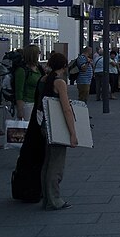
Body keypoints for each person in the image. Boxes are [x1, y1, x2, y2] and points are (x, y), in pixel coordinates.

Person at [35, 52, 77, 210]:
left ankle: (47, 197)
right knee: (56, 165)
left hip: (44, 125)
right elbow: (66, 109)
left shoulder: (43, 79)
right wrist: (73, 133)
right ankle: (54, 199)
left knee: (47, 163)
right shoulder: (60, 82)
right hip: (56, 126)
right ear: (65, 66)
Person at [15, 44, 44, 122]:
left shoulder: (38, 69)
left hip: (38, 103)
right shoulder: (22, 70)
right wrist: (20, 110)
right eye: (39, 52)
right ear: (33, 55)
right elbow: (19, 92)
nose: (39, 55)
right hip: (27, 104)